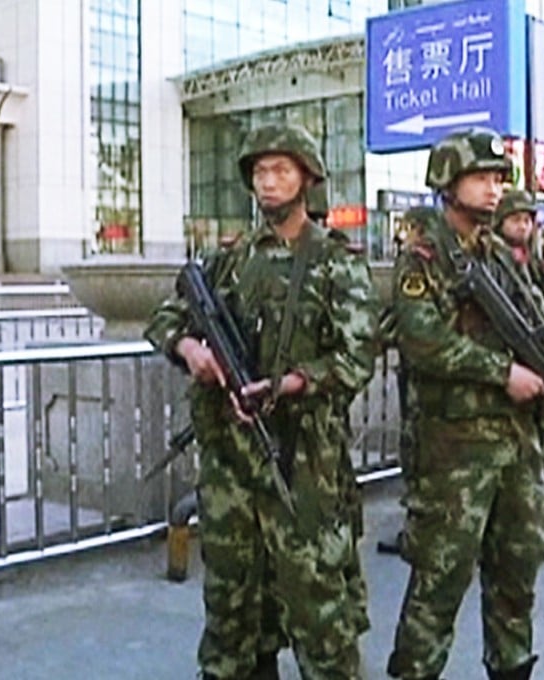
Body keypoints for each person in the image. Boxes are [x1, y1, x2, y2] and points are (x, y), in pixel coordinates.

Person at [144, 122, 380, 680]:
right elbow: (165, 316)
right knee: (232, 619)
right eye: (259, 172)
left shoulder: (333, 261)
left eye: (280, 170)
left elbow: (357, 357)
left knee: (322, 621)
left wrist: (295, 381)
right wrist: (188, 348)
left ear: (307, 178)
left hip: (301, 465)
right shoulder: (231, 260)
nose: (268, 182)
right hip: (231, 473)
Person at [385, 128, 544, 680]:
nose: (493, 189)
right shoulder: (424, 257)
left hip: (516, 447)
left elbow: (536, 330)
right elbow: (423, 340)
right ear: (448, 183)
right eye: (480, 177)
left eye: (499, 178)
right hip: (453, 451)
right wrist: (502, 373)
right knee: (439, 582)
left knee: (515, 577)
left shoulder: (500, 255)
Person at [493, 189, 544, 563]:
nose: (523, 226)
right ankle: (527, 528)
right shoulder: (496, 263)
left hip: (541, 366)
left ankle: (539, 519)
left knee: (538, 452)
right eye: (516, 219)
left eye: (528, 220)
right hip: (513, 374)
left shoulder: (532, 265)